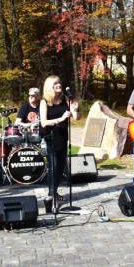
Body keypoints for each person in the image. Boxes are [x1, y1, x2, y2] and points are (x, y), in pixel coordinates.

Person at [39, 76, 78, 208]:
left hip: (62, 136)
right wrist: (60, 119)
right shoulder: (44, 102)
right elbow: (43, 122)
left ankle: (54, 192)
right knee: (53, 167)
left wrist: (75, 108)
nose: (59, 84)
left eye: (59, 82)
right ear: (50, 86)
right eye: (55, 83)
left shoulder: (65, 99)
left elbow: (76, 117)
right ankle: (51, 196)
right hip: (50, 137)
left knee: (61, 168)